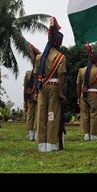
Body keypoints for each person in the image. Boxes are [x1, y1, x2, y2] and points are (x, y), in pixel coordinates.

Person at [34, 17, 67, 152]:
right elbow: (61, 76)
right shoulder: (60, 57)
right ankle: (51, 144)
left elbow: (36, 75)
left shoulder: (39, 57)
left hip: (42, 87)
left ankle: (42, 145)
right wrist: (61, 93)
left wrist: (37, 89)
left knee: (42, 114)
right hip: (54, 87)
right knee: (52, 115)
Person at [77, 42, 97, 141]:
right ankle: (93, 134)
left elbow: (78, 84)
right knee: (94, 114)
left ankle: (86, 134)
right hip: (95, 94)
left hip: (83, 94)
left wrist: (78, 96)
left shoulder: (81, 70)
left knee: (85, 114)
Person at [23, 43, 40, 141]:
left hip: (29, 95)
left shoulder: (28, 73)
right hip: (37, 95)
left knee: (30, 113)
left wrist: (25, 98)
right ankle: (35, 133)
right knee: (37, 113)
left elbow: (25, 88)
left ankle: (30, 135)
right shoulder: (40, 74)